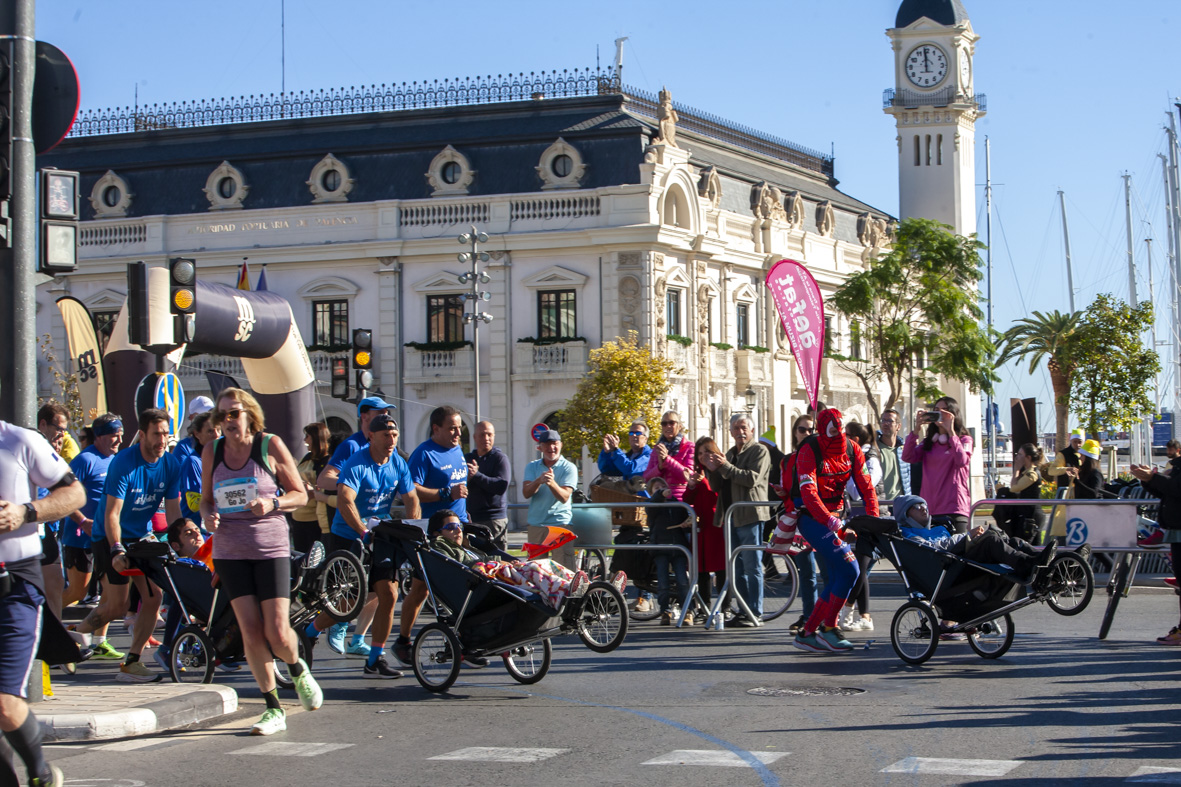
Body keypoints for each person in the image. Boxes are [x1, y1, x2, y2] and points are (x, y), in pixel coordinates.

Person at [200, 388, 321, 735]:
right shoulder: (213, 451)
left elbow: (300, 494)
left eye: (234, 413)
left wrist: (272, 504)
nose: (229, 421)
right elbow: (206, 501)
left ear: (249, 414)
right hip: (230, 551)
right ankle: (273, 708)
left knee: (278, 632)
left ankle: (297, 668)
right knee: (250, 631)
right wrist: (208, 517)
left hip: (270, 548)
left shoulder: (269, 445)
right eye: (222, 415)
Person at [0, 410, 86, 787]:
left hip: (14, 586)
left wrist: (25, 512)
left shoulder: (18, 440)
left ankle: (40, 772)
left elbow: (74, 493)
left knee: (3, 702)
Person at [69, 409, 183, 682]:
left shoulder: (170, 465)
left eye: (166, 434)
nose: (162, 441)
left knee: (154, 597)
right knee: (118, 606)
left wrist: (182, 542)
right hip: (108, 535)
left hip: (142, 537)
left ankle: (131, 662)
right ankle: (70, 638)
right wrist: (117, 548)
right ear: (142, 434)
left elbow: (173, 514)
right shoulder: (124, 462)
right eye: (157, 434)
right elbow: (111, 515)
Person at [324, 413, 420, 679]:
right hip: (348, 533)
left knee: (388, 594)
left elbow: (411, 497)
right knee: (350, 600)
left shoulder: (398, 463)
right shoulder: (357, 463)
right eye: (386, 435)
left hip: (381, 532)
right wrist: (363, 531)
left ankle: (374, 659)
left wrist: (413, 529)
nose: (391, 440)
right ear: (371, 436)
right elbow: (345, 501)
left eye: (395, 435)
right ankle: (310, 631)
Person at [778, 406, 878, 653]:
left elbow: (866, 487)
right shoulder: (808, 451)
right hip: (812, 519)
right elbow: (809, 494)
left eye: (840, 431)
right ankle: (829, 628)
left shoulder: (853, 449)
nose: (837, 437)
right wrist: (834, 524)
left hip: (836, 516)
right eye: (831, 432)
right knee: (850, 569)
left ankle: (808, 633)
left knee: (836, 577)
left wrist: (874, 518)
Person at [314, 395, 395, 657]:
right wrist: (349, 482)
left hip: (378, 529)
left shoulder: (389, 445)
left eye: (387, 413)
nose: (385, 417)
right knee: (353, 591)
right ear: (365, 417)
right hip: (351, 530)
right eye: (380, 413)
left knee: (379, 591)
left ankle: (359, 638)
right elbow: (324, 479)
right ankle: (337, 624)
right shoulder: (351, 447)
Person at [396, 406, 471, 665]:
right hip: (434, 532)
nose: (457, 432)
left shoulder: (457, 450)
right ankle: (403, 640)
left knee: (464, 587)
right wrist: (444, 494)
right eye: (452, 427)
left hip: (460, 528)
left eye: (459, 427)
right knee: (421, 590)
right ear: (435, 429)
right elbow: (410, 488)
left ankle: (462, 641)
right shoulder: (424, 454)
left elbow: (458, 487)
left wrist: (464, 516)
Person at [60, 414, 124, 661]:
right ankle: (42, 622)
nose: (118, 439)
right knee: (77, 591)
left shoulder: (116, 460)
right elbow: (63, 493)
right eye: (112, 435)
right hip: (79, 537)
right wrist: (82, 520)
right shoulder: (85, 459)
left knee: (109, 593)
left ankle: (99, 642)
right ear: (98, 436)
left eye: (120, 434)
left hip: (104, 537)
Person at [700, 414, 770, 627]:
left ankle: (755, 612)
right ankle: (743, 610)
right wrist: (711, 470)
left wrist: (724, 466)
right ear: (730, 432)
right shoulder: (729, 454)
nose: (740, 432)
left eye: (744, 428)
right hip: (730, 516)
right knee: (736, 569)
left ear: (752, 430)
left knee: (752, 566)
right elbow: (717, 486)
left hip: (749, 515)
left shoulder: (760, 451)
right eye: (736, 429)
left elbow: (751, 479)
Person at [894, 494, 1058, 583]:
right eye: (916, 507)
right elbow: (933, 548)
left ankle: (1050, 563)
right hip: (949, 569)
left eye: (924, 505)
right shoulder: (908, 535)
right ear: (905, 514)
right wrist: (967, 536)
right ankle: (1028, 566)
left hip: (958, 558)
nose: (923, 509)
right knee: (991, 542)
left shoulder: (938, 528)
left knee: (1009, 539)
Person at [770, 414, 821, 634]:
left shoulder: (823, 459)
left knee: (828, 571)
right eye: (802, 430)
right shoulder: (787, 460)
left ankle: (829, 617)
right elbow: (788, 490)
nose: (807, 434)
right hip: (800, 522)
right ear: (795, 432)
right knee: (806, 571)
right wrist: (783, 493)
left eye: (811, 430)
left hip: (822, 520)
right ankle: (809, 616)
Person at [902, 397, 974, 534]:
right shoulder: (929, 443)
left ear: (953, 414)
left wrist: (951, 432)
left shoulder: (964, 439)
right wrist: (916, 429)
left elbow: (962, 461)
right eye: (936, 410)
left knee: (955, 552)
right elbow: (907, 457)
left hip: (954, 508)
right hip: (931, 510)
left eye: (944, 410)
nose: (940, 413)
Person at [1130, 458, 1181, 644]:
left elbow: (1176, 488)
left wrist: (1153, 477)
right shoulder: (1177, 466)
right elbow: (1167, 492)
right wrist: (1149, 479)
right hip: (1175, 530)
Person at [840, 421, 882, 632]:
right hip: (858, 522)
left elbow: (859, 490)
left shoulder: (871, 459)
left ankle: (846, 613)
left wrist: (845, 475)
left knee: (858, 569)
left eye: (845, 435)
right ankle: (864, 616)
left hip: (872, 522)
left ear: (854, 439)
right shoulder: (857, 457)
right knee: (860, 570)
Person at [522, 430, 578, 570]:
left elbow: (565, 497)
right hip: (536, 525)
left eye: (554, 444)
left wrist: (551, 483)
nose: (551, 448)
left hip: (560, 524)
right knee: (535, 572)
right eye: (546, 444)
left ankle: (565, 593)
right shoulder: (532, 467)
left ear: (561, 445)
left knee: (563, 572)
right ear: (540, 447)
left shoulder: (569, 468)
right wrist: (538, 481)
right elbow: (526, 493)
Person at [683, 436, 724, 618]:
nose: (702, 457)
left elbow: (716, 492)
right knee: (702, 569)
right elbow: (687, 499)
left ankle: (725, 606)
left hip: (718, 524)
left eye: (706, 452)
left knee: (722, 568)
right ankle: (704, 607)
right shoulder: (697, 473)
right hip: (702, 526)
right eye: (699, 453)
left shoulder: (720, 470)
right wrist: (691, 485)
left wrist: (703, 482)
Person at [645, 477, 692, 625]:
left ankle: (688, 610)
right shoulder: (652, 506)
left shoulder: (677, 504)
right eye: (656, 488)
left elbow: (686, 519)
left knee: (683, 581)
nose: (660, 489)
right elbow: (651, 509)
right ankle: (664, 610)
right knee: (663, 582)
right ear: (651, 493)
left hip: (678, 547)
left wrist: (687, 524)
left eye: (662, 486)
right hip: (660, 547)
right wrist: (659, 495)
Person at [465, 420, 512, 552]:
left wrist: (477, 475)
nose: (486, 438)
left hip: (494, 520)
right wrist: (467, 479)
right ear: (474, 437)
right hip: (471, 518)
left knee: (497, 561)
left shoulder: (500, 458)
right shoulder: (467, 459)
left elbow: (501, 486)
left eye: (489, 435)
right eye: (482, 435)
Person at [290, 422, 332, 555]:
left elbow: (325, 487)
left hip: (316, 520)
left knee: (315, 560)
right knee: (299, 559)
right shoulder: (306, 458)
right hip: (298, 518)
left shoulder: (327, 461)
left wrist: (311, 489)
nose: (304, 440)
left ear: (315, 437)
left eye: (307, 436)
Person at [994, 443, 1046, 541]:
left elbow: (1014, 488)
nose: (1017, 457)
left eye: (1020, 454)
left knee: (1032, 549)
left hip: (1032, 517)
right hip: (1026, 516)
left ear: (1028, 457)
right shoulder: (1026, 472)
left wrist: (1016, 469)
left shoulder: (1032, 474)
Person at [643, 411, 695, 501]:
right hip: (660, 498)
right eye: (664, 423)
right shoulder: (657, 449)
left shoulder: (690, 447)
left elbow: (689, 475)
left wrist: (667, 459)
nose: (668, 426)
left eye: (672, 423)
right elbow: (646, 477)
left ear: (679, 426)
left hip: (680, 499)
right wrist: (659, 467)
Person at [178, 411, 219, 526]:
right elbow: (194, 504)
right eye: (210, 431)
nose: (216, 435)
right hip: (197, 532)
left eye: (219, 429)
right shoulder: (193, 462)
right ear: (197, 434)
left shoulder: (224, 460)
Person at [876, 408, 909, 501]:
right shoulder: (874, 448)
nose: (885, 423)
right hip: (881, 503)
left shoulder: (903, 450)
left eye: (890, 421)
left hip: (901, 503)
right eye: (883, 420)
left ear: (898, 426)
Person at [172, 396, 214, 467]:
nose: (209, 418)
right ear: (192, 418)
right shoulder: (183, 447)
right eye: (204, 415)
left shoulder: (223, 442)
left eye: (212, 414)